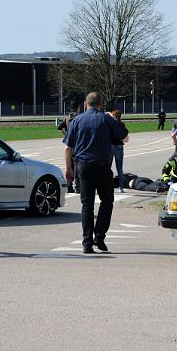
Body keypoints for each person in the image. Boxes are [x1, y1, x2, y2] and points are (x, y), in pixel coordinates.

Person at [63, 92, 129, 254]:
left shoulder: (77, 120)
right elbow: (125, 138)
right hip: (102, 166)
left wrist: (68, 169)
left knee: (87, 205)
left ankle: (86, 243)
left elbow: (67, 147)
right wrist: (112, 120)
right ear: (100, 105)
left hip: (83, 166)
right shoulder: (106, 119)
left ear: (86, 105)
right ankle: (99, 237)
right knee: (107, 201)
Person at [109, 109, 126, 193]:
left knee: (108, 167)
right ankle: (121, 187)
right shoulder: (122, 124)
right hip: (119, 145)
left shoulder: (111, 124)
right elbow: (125, 134)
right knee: (119, 168)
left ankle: (108, 185)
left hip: (111, 145)